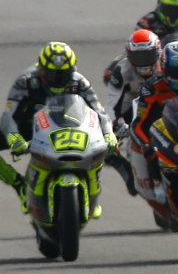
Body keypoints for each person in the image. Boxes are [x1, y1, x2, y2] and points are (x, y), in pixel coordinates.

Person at [3, 42, 118, 212]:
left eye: (64, 74)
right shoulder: (26, 81)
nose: (58, 78)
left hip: (65, 123)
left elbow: (99, 112)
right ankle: (18, 183)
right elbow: (8, 114)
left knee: (98, 149)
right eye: (53, 73)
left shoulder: (79, 81)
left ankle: (93, 195)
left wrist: (109, 135)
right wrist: (13, 137)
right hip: (27, 124)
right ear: (41, 70)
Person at [103, 28, 164, 129]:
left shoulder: (165, 64)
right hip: (133, 97)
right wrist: (116, 123)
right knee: (109, 127)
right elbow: (112, 104)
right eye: (137, 57)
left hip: (160, 97)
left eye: (147, 56)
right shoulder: (121, 71)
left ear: (157, 53)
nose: (143, 61)